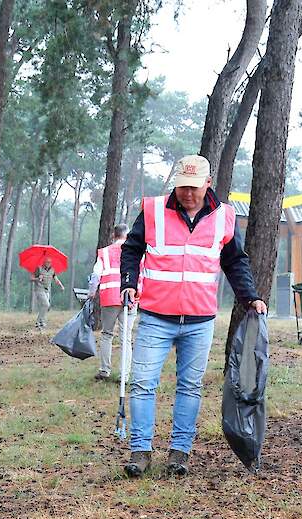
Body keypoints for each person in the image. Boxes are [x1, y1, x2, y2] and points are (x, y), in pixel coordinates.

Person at [119, 155, 266, 478]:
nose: (188, 194)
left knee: (189, 386)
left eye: (194, 188)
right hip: (156, 316)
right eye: (183, 187)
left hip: (199, 320)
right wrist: (128, 283)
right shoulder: (154, 210)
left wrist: (250, 297)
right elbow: (131, 249)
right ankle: (140, 451)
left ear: (208, 184)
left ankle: (179, 453)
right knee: (143, 384)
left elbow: (235, 262)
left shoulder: (224, 216)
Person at [93, 223, 129, 381]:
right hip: (129, 298)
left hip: (110, 297)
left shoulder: (105, 252)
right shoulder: (134, 251)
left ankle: (104, 370)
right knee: (125, 337)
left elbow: (96, 275)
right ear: (127, 236)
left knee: (107, 334)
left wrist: (91, 292)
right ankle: (124, 375)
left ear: (114, 236)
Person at [31, 257, 64, 328]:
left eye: (49, 262)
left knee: (44, 307)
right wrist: (38, 278)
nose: (48, 263)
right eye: (47, 262)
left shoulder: (52, 270)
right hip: (39, 288)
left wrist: (61, 286)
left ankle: (41, 322)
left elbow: (55, 278)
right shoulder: (39, 269)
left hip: (47, 290)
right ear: (44, 262)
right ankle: (39, 321)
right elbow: (31, 278)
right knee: (46, 304)